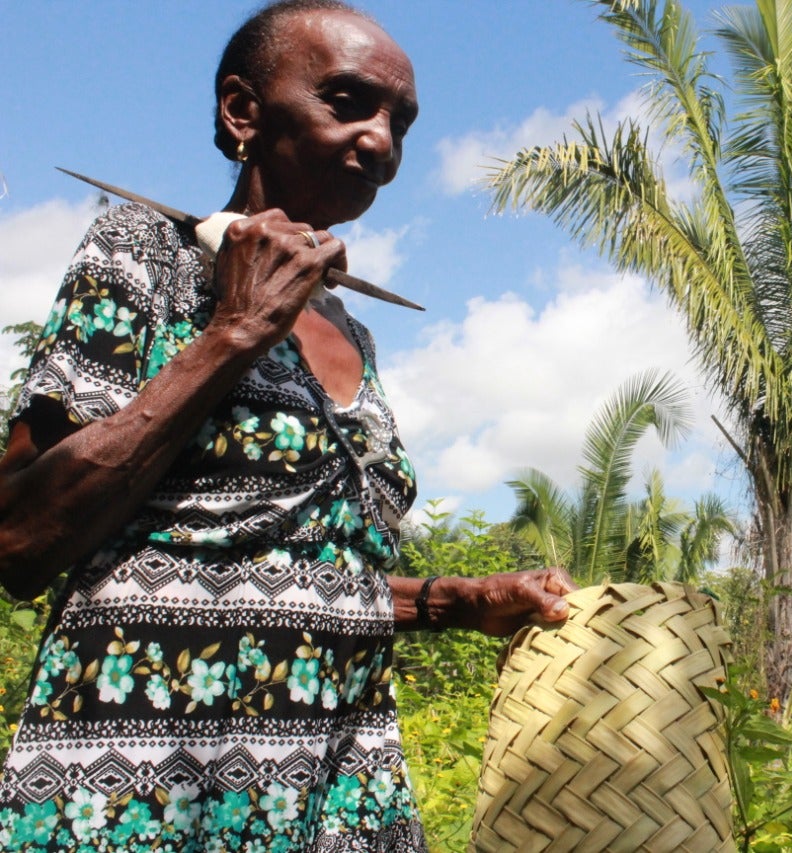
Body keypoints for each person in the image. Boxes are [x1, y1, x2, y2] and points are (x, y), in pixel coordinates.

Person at [0, 2, 573, 849]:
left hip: (338, 788)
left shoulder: (354, 332)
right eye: (348, 101)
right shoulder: (144, 256)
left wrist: (459, 599)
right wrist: (235, 333)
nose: (380, 141)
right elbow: (19, 539)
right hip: (150, 782)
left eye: (400, 122)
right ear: (243, 112)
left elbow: (306, 576)